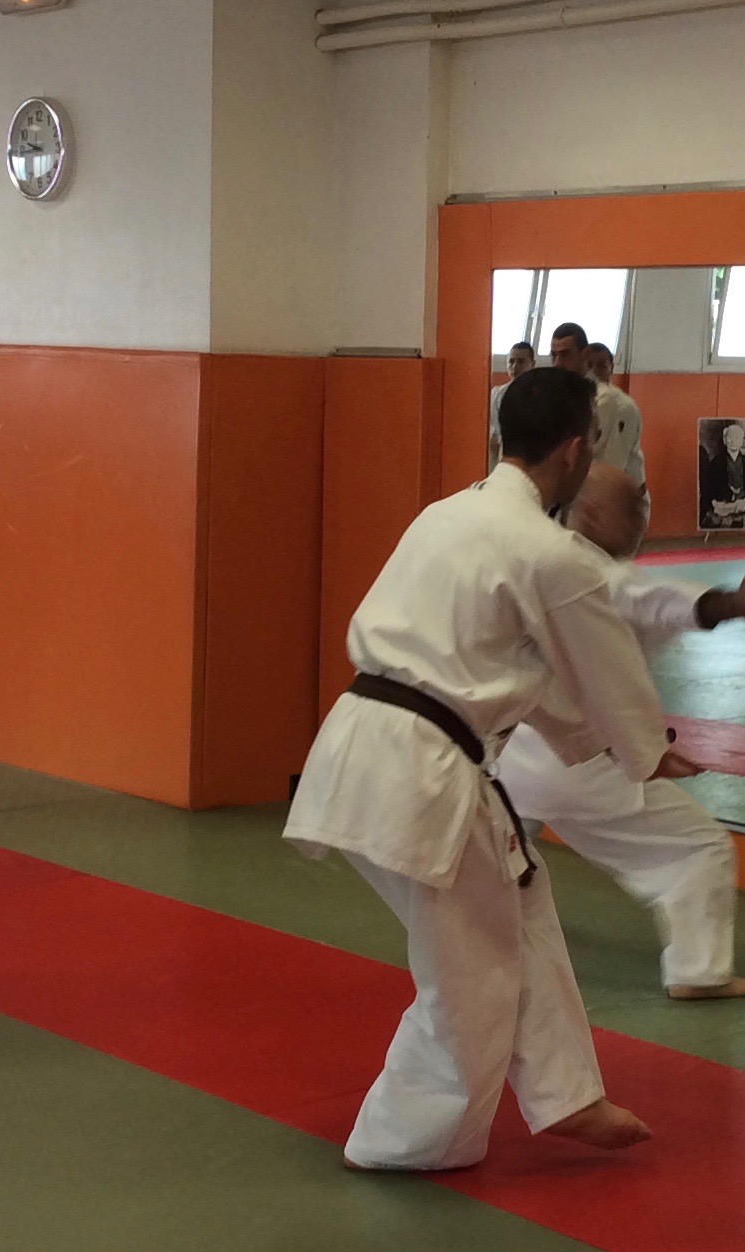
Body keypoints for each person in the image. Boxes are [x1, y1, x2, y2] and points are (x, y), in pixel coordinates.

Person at [286, 368, 682, 1172]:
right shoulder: (549, 553)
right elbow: (603, 670)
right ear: (574, 451)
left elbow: (520, 673)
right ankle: (398, 1140)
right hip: (423, 770)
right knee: (471, 968)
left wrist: (615, 745)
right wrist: (644, 749)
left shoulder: (445, 515)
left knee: (519, 903)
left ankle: (569, 1094)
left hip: (361, 744)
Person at [497, 462, 745, 1000]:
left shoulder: (531, 560)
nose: (642, 520)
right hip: (579, 764)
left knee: (504, 849)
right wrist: (734, 604)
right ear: (592, 513)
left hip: (513, 758)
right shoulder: (597, 575)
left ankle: (482, 932)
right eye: (632, 509)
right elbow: (663, 600)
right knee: (700, 848)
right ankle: (699, 972)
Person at [580, 341, 646, 495]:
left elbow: (613, 464)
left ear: (611, 368)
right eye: (589, 365)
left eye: (601, 365)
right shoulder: (586, 401)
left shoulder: (622, 406)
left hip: (624, 495)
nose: (594, 372)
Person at [485, 339, 536, 469]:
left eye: (521, 361)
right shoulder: (496, 393)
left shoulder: (540, 394)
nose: (515, 367)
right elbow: (493, 434)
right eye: (511, 361)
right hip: (504, 456)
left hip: (532, 456)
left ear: (532, 364)